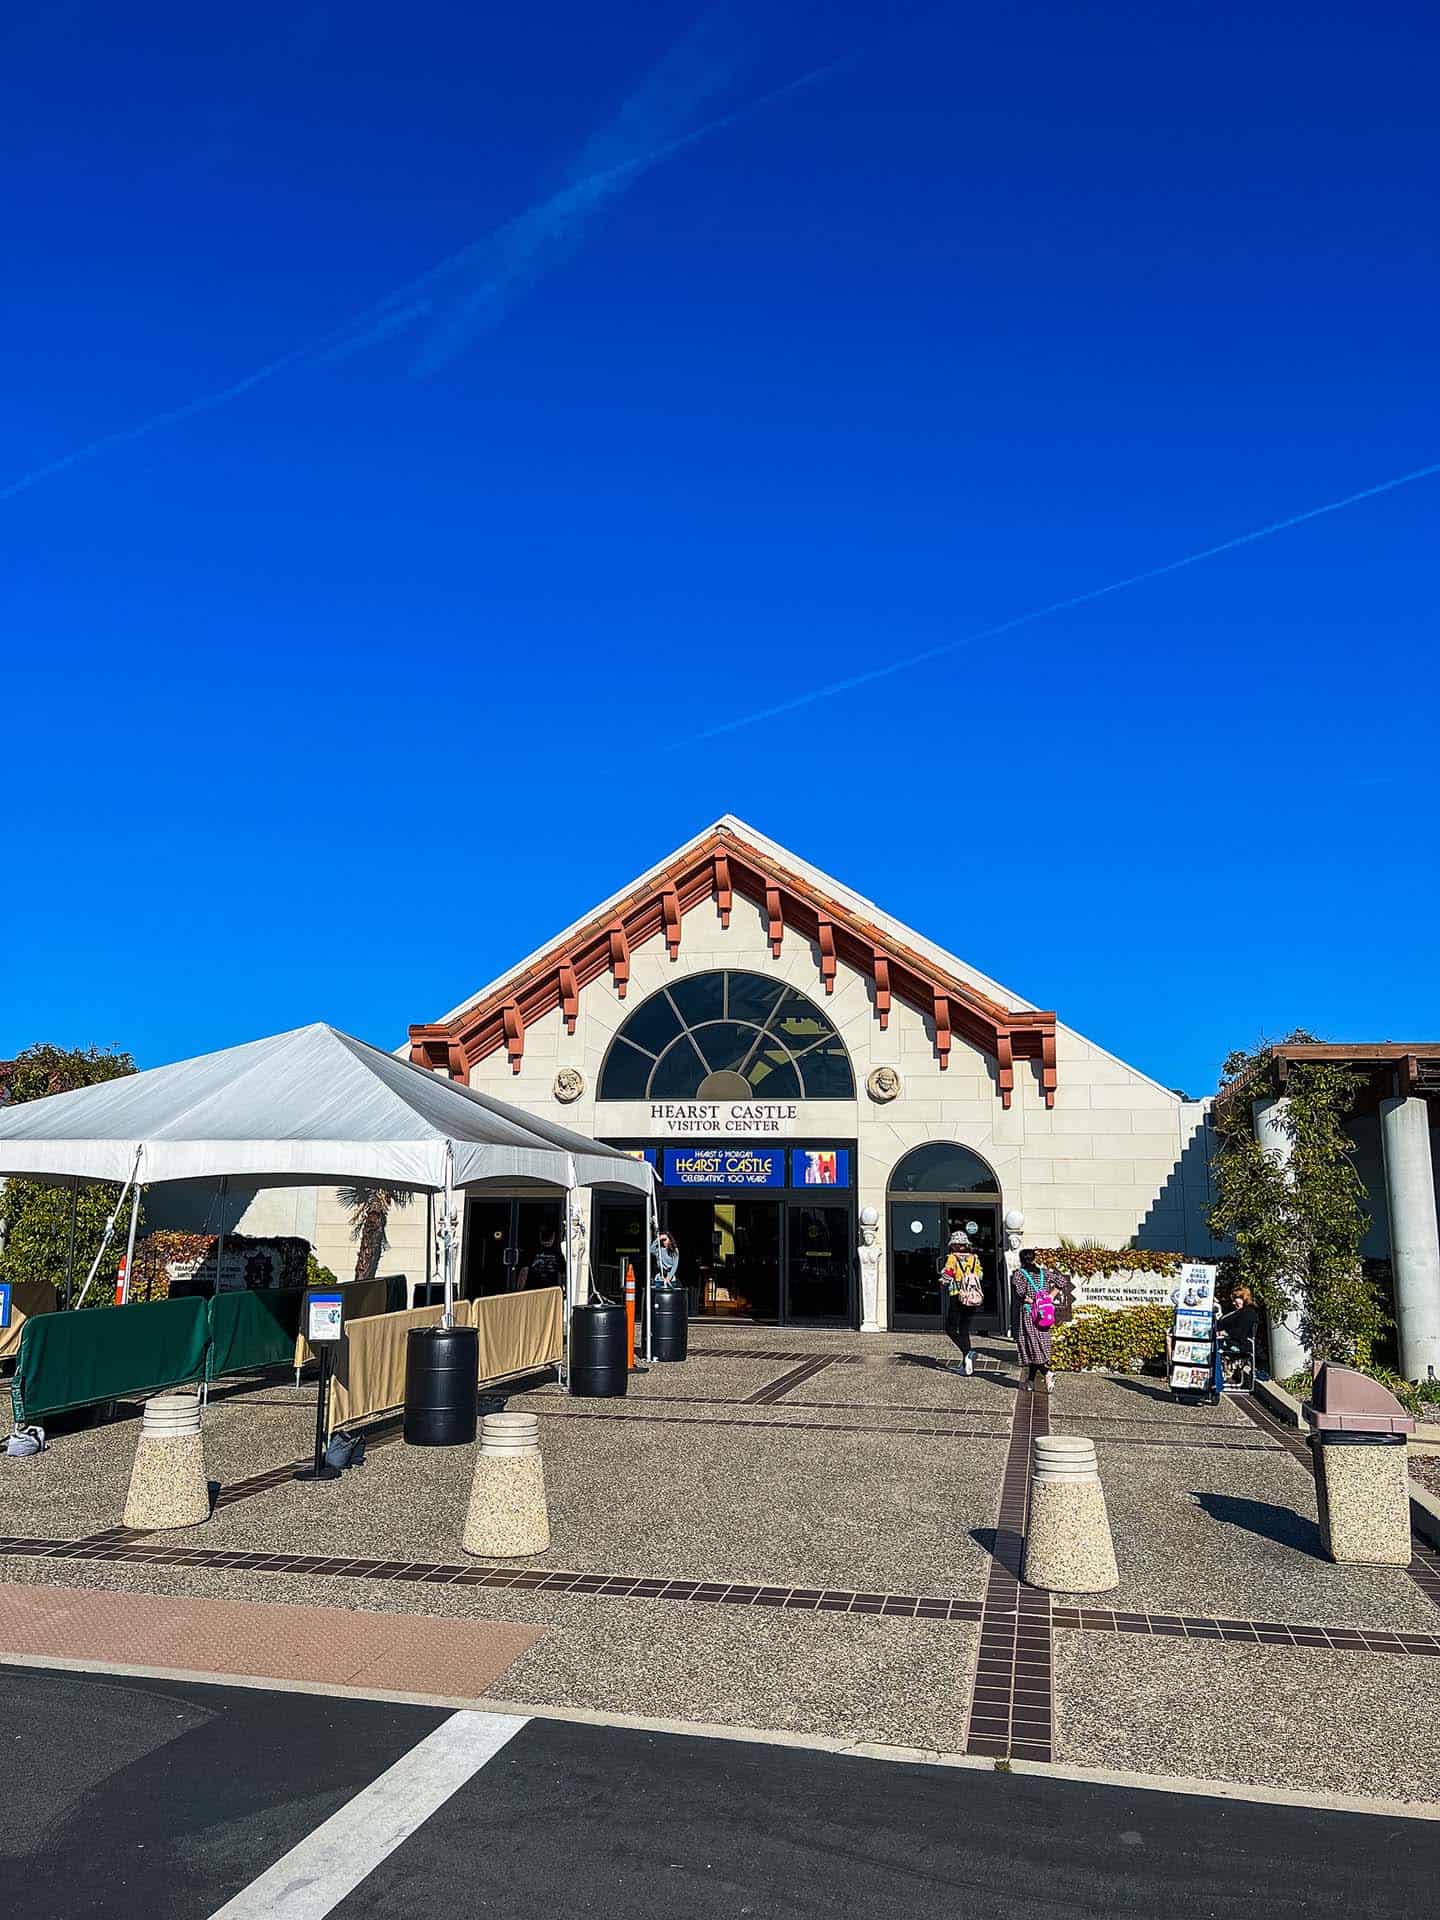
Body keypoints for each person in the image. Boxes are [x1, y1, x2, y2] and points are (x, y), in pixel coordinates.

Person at [940, 1228, 985, 1375]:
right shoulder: (974, 1257)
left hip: (957, 1295)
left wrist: (943, 1281)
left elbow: (948, 1274)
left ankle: (968, 1353)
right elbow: (980, 1274)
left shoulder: (952, 1258)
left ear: (954, 1245)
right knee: (964, 1328)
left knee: (950, 1328)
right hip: (972, 1296)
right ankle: (966, 1365)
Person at [1011, 1248, 1054, 1392]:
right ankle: (1030, 1382)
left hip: (1030, 1314)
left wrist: (1026, 1299)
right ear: (1034, 1258)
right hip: (1044, 1314)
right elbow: (1061, 1281)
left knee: (1031, 1346)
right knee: (1037, 1345)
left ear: (1021, 1259)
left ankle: (1046, 1372)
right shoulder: (1044, 1273)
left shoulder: (1019, 1274)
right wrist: (1050, 1296)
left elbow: (1020, 1293)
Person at [1216, 1284, 1260, 1387]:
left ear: (1244, 1298)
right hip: (1233, 1341)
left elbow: (1240, 1332)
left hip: (1240, 1344)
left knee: (1213, 1347)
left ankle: (1221, 1377)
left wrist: (1223, 1333)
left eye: (1237, 1298)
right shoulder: (1239, 1312)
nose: (1234, 1302)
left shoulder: (1248, 1313)